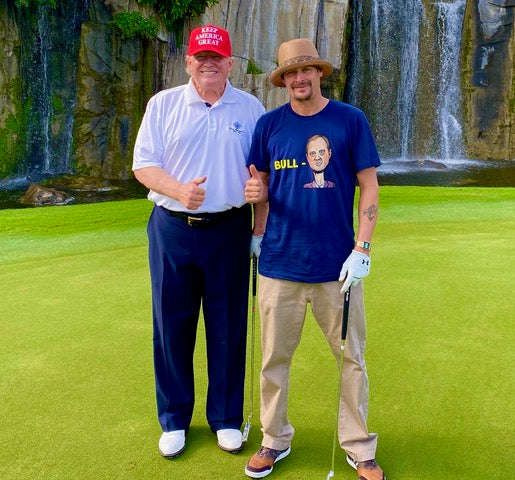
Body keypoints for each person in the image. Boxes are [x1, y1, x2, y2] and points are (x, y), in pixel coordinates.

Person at [243, 38, 386, 480]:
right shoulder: (269, 126)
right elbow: (261, 186)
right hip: (279, 264)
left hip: (337, 267)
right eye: (290, 72)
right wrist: (258, 228)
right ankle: (274, 438)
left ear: (319, 73)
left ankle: (359, 446)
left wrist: (363, 248)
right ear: (283, 79)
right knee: (273, 360)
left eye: (306, 70)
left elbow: (369, 186)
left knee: (351, 358)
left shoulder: (350, 119)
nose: (298, 79)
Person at [132, 24, 265, 459]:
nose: (209, 64)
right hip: (172, 227)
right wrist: (178, 190)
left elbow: (261, 172)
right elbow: (143, 166)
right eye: (201, 57)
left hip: (229, 229)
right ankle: (174, 420)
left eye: (216, 57)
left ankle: (225, 418)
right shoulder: (163, 104)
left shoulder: (250, 107)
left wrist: (259, 220)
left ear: (230, 64)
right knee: (171, 324)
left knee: (227, 326)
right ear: (188, 62)